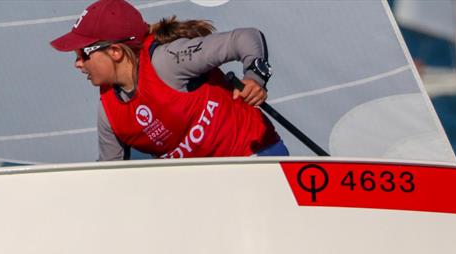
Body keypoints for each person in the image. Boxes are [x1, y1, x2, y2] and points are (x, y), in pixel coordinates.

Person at [50, 0, 288, 160]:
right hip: (204, 195)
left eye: (83, 53)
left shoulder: (168, 60)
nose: (78, 63)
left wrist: (255, 78)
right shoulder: (109, 113)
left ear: (115, 52)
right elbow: (110, 179)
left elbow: (244, 38)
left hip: (256, 160)